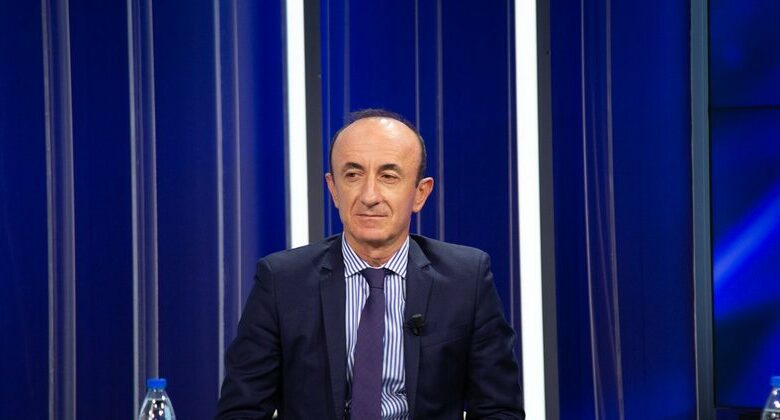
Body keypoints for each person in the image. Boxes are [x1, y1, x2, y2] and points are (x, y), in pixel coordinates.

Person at [216, 109, 524, 419]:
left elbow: (499, 410)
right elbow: (241, 411)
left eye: (388, 176)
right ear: (333, 189)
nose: (369, 195)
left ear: (420, 193)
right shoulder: (282, 281)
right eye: (353, 175)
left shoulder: (466, 280)